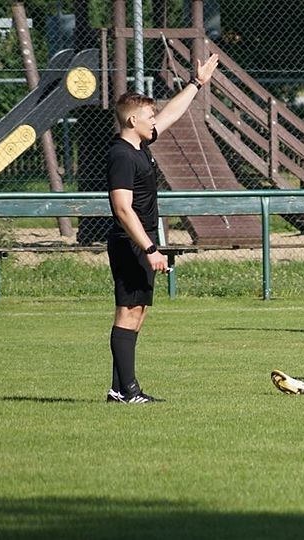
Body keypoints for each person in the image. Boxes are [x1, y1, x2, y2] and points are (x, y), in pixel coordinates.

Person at [105, 53, 220, 403]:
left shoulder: (140, 144)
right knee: (127, 312)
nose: (155, 120)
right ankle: (128, 391)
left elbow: (171, 114)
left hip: (142, 241)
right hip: (131, 241)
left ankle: (120, 390)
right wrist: (150, 248)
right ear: (132, 120)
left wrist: (196, 84)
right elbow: (122, 209)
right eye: (149, 116)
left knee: (137, 312)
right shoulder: (122, 154)